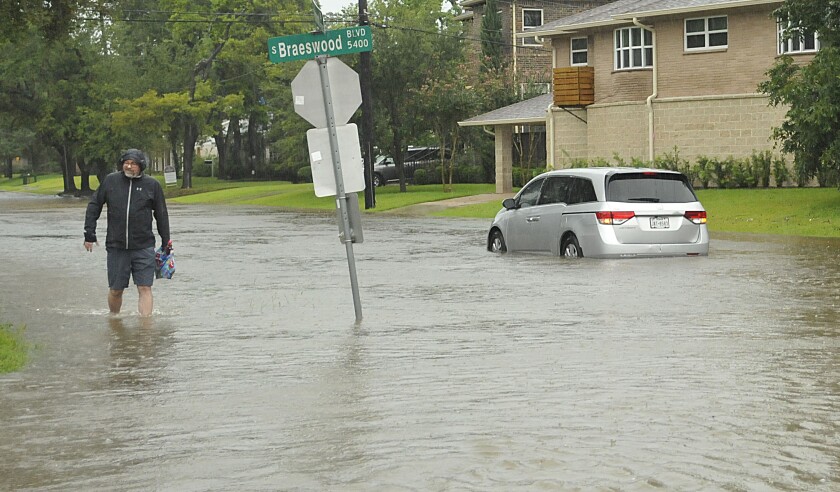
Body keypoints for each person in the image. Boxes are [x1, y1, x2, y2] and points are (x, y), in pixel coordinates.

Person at [84, 149, 171, 317]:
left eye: (133, 164)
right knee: (116, 290)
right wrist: (89, 233)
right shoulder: (111, 181)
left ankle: (146, 329)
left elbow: (161, 214)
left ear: (141, 166)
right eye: (126, 162)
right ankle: (114, 319)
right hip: (117, 246)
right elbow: (94, 205)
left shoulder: (152, 185)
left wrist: (166, 241)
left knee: (145, 287)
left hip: (144, 246)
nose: (129, 166)